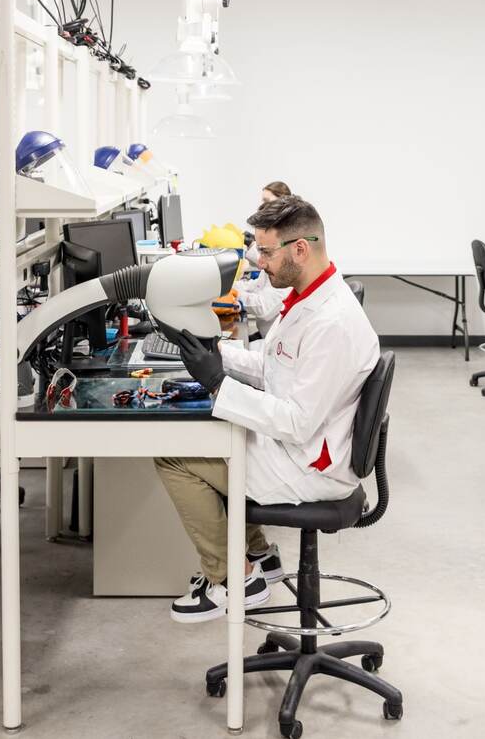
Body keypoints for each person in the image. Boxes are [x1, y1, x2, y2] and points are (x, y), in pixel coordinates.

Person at [155, 195, 379, 623]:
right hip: (302, 447)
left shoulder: (331, 322)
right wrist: (217, 352)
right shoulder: (308, 298)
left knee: (176, 454)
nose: (259, 262)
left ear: (300, 249)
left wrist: (218, 384)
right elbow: (275, 365)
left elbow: (296, 421)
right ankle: (259, 554)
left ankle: (235, 580)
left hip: (309, 465)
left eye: (266, 251)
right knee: (214, 431)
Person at [236, 181, 292, 338]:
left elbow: (265, 308)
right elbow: (258, 284)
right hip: (266, 335)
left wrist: (234, 293)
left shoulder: (287, 260)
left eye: (267, 201)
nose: (259, 263)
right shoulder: (277, 251)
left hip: (272, 339)